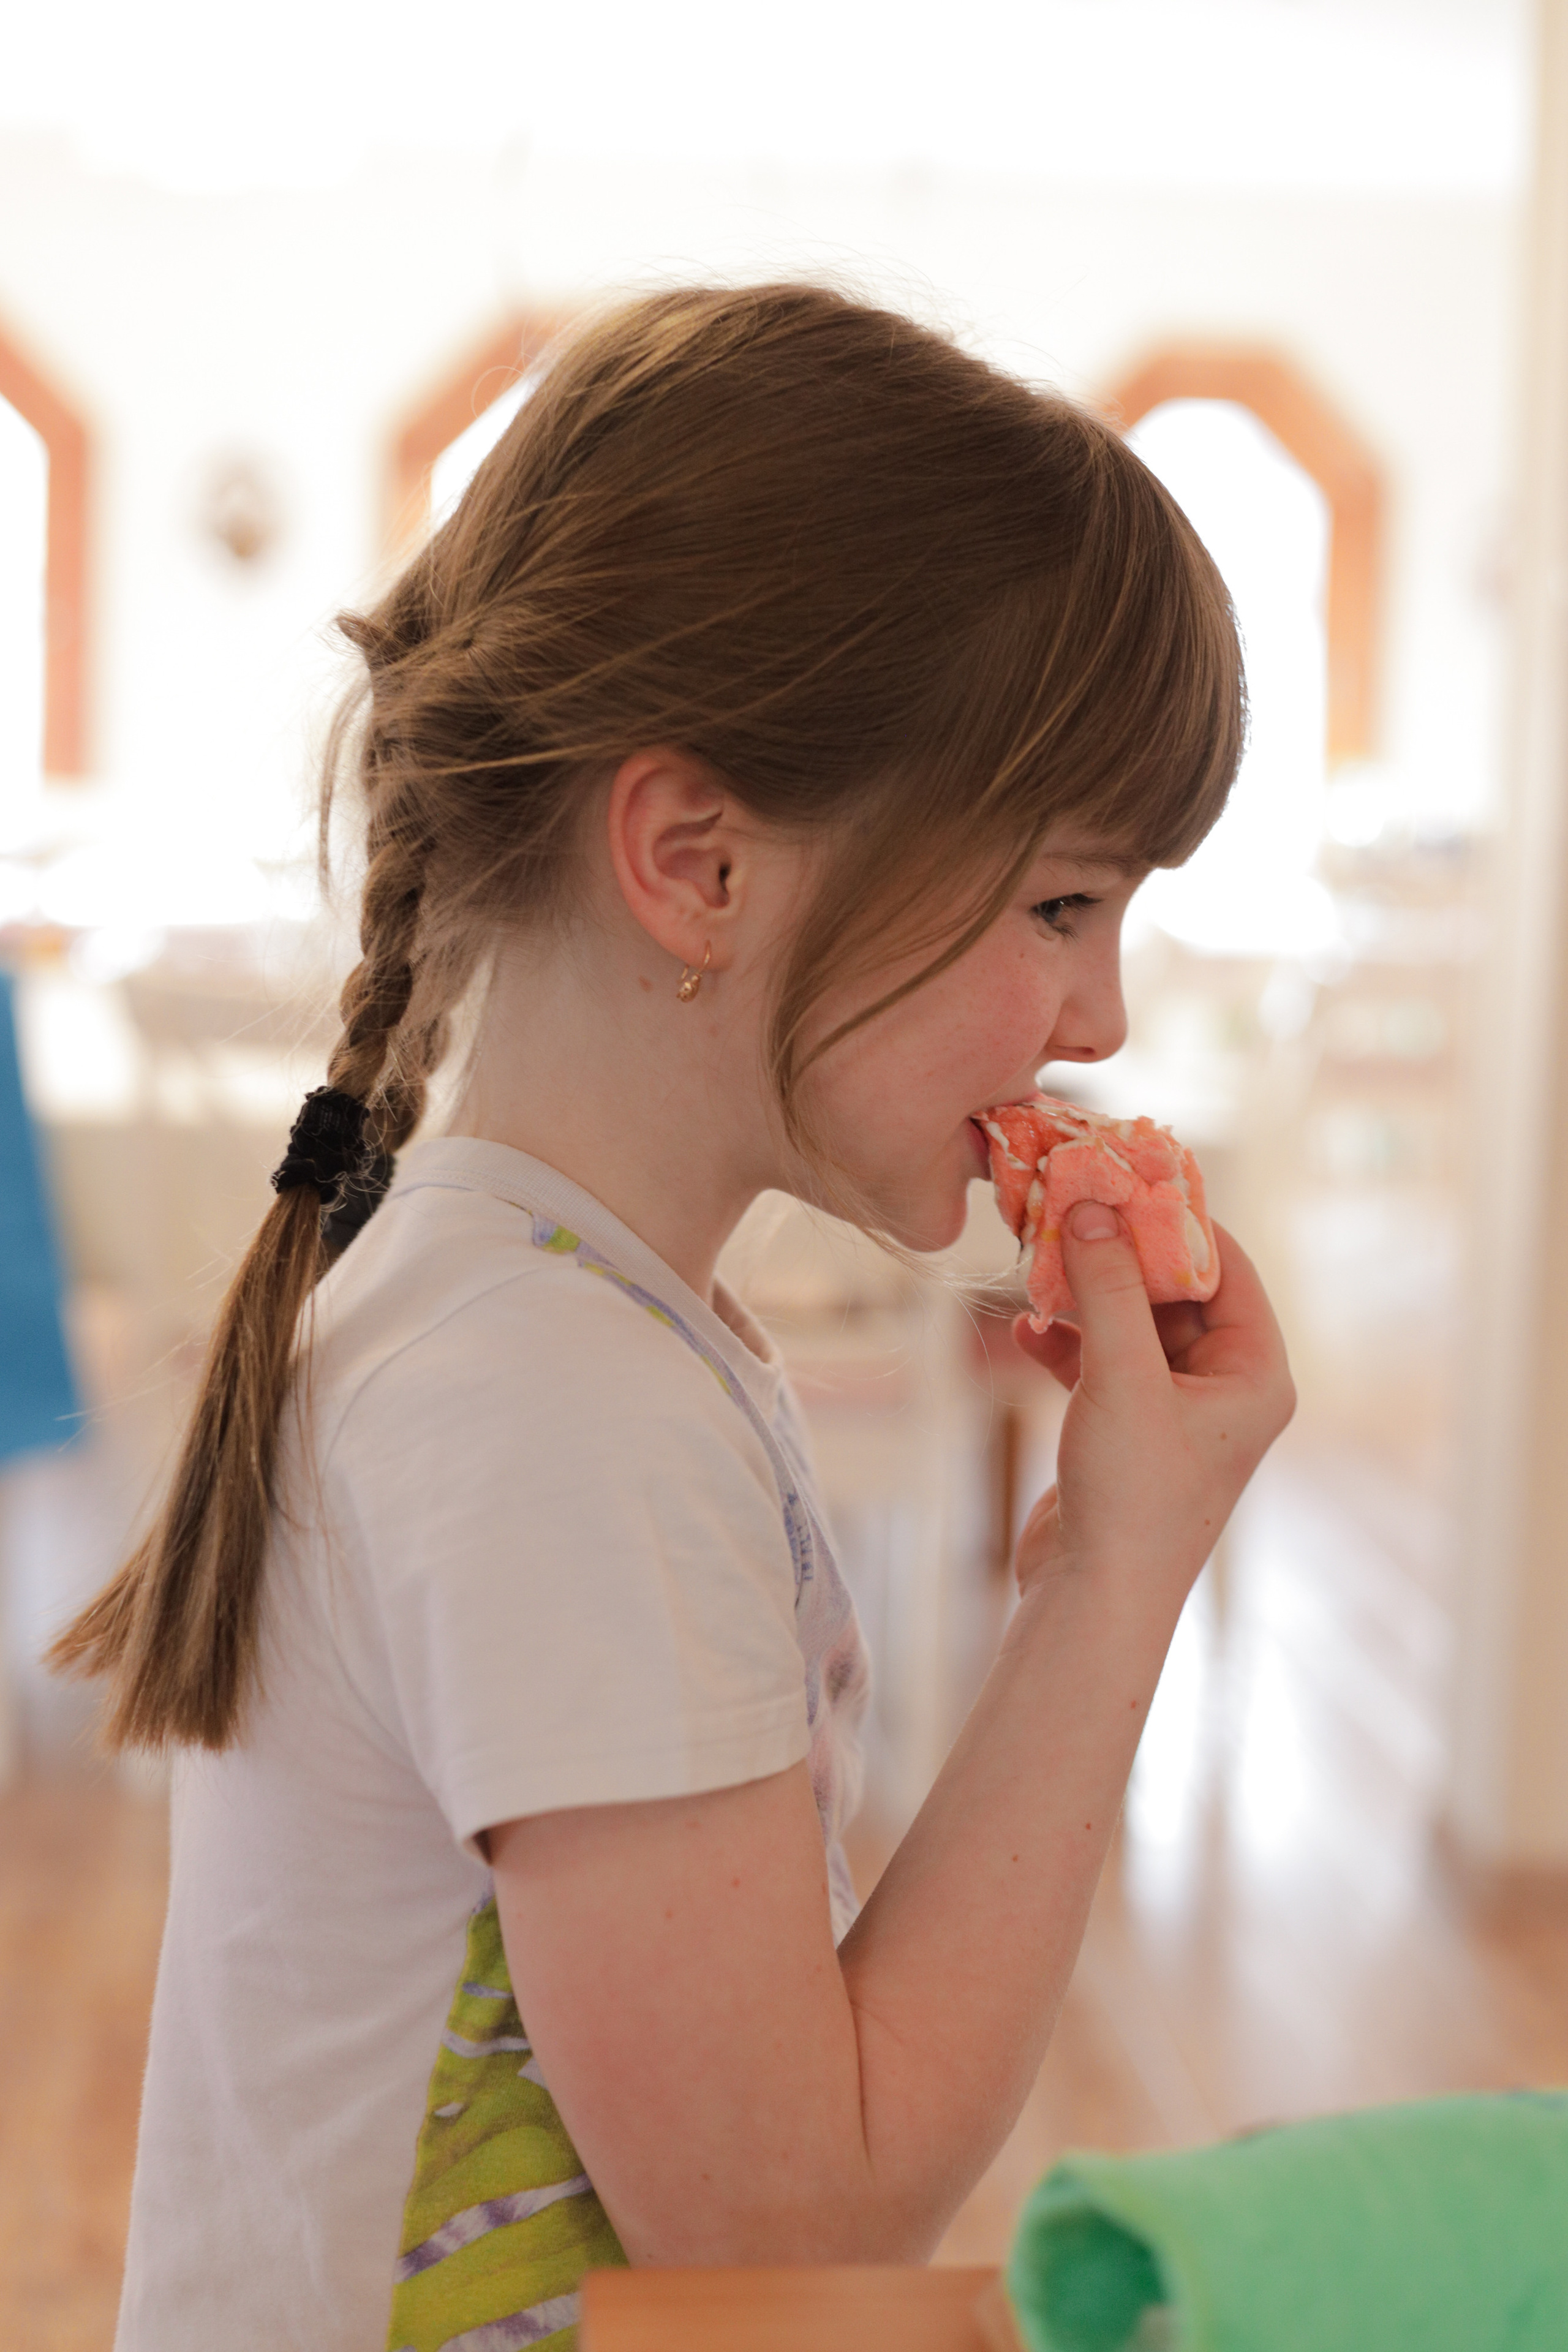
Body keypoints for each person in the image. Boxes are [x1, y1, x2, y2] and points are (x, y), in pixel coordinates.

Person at [50, 282, 1294, 2352]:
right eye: (1062, 905)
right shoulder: (558, 1411)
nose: (1103, 1017)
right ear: (698, 868)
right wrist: (1117, 1582)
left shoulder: (546, 1307)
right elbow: (792, 2220)